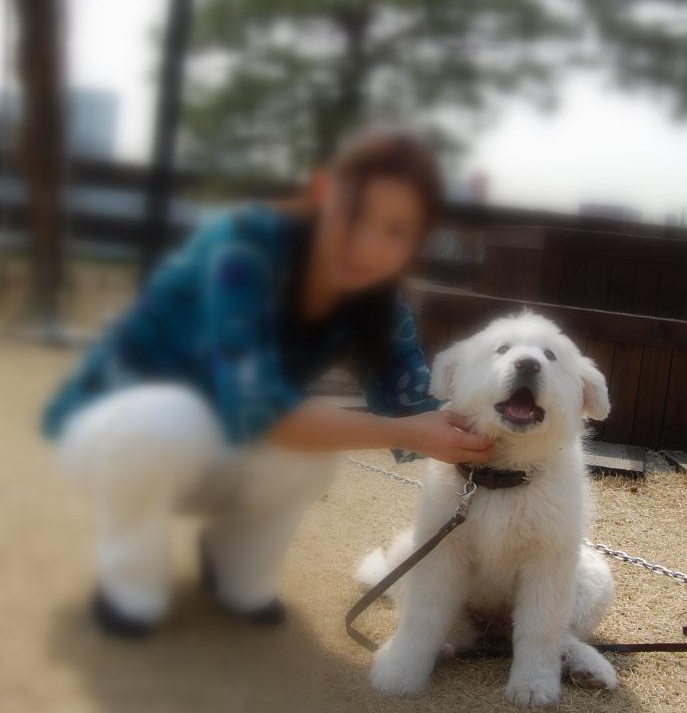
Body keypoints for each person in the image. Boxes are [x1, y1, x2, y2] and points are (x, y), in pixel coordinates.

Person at [40, 126, 492, 638]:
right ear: (322, 192)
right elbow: (256, 407)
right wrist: (407, 431)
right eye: (357, 213)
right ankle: (131, 579)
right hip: (119, 428)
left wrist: (497, 423)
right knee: (172, 417)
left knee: (311, 449)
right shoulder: (243, 247)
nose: (369, 245)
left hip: (218, 440)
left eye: (397, 230)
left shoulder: (381, 304)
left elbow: (418, 405)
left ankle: (237, 569)